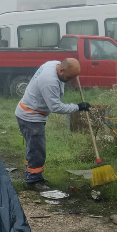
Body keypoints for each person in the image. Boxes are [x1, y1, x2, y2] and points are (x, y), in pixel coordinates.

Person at [14, 58, 90, 191]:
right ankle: (33, 180)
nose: (70, 80)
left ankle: (33, 173)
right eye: (68, 77)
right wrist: (77, 107)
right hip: (30, 116)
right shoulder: (49, 81)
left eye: (73, 77)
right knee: (37, 149)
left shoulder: (54, 64)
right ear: (61, 70)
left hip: (31, 113)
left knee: (33, 147)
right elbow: (56, 107)